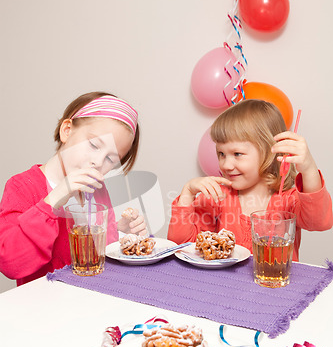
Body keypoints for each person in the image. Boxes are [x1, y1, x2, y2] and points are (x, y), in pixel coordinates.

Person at [0, 91, 147, 286]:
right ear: (67, 130)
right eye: (94, 145)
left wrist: (120, 232)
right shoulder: (22, 186)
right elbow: (10, 263)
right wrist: (55, 198)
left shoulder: (97, 190)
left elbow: (100, 256)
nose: (97, 162)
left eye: (111, 159)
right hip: (43, 308)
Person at [168, 99, 333, 260]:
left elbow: (319, 222)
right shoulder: (217, 197)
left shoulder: (288, 201)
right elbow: (180, 245)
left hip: (275, 284)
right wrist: (187, 194)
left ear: (269, 152)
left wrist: (309, 169)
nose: (226, 164)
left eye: (237, 154)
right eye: (221, 154)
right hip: (226, 287)